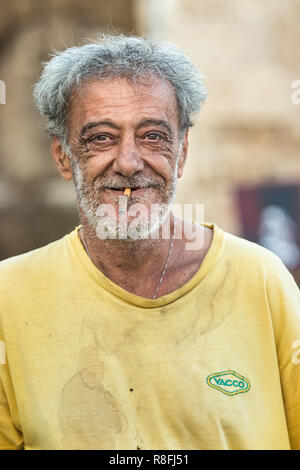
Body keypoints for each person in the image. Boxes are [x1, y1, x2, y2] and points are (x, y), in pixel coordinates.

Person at [0, 35, 299, 451]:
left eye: (153, 136)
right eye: (101, 137)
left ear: (181, 153)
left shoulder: (262, 281)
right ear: (63, 156)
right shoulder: (9, 296)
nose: (128, 162)